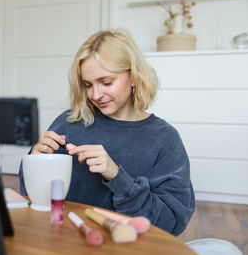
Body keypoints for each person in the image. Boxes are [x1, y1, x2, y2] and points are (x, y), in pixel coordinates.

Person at [18, 29, 195, 236]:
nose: (95, 94)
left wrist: (117, 176)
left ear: (133, 76)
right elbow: (31, 196)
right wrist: (35, 162)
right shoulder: (68, 123)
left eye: (106, 82)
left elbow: (170, 223)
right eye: (87, 85)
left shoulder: (165, 139)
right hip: (62, 240)